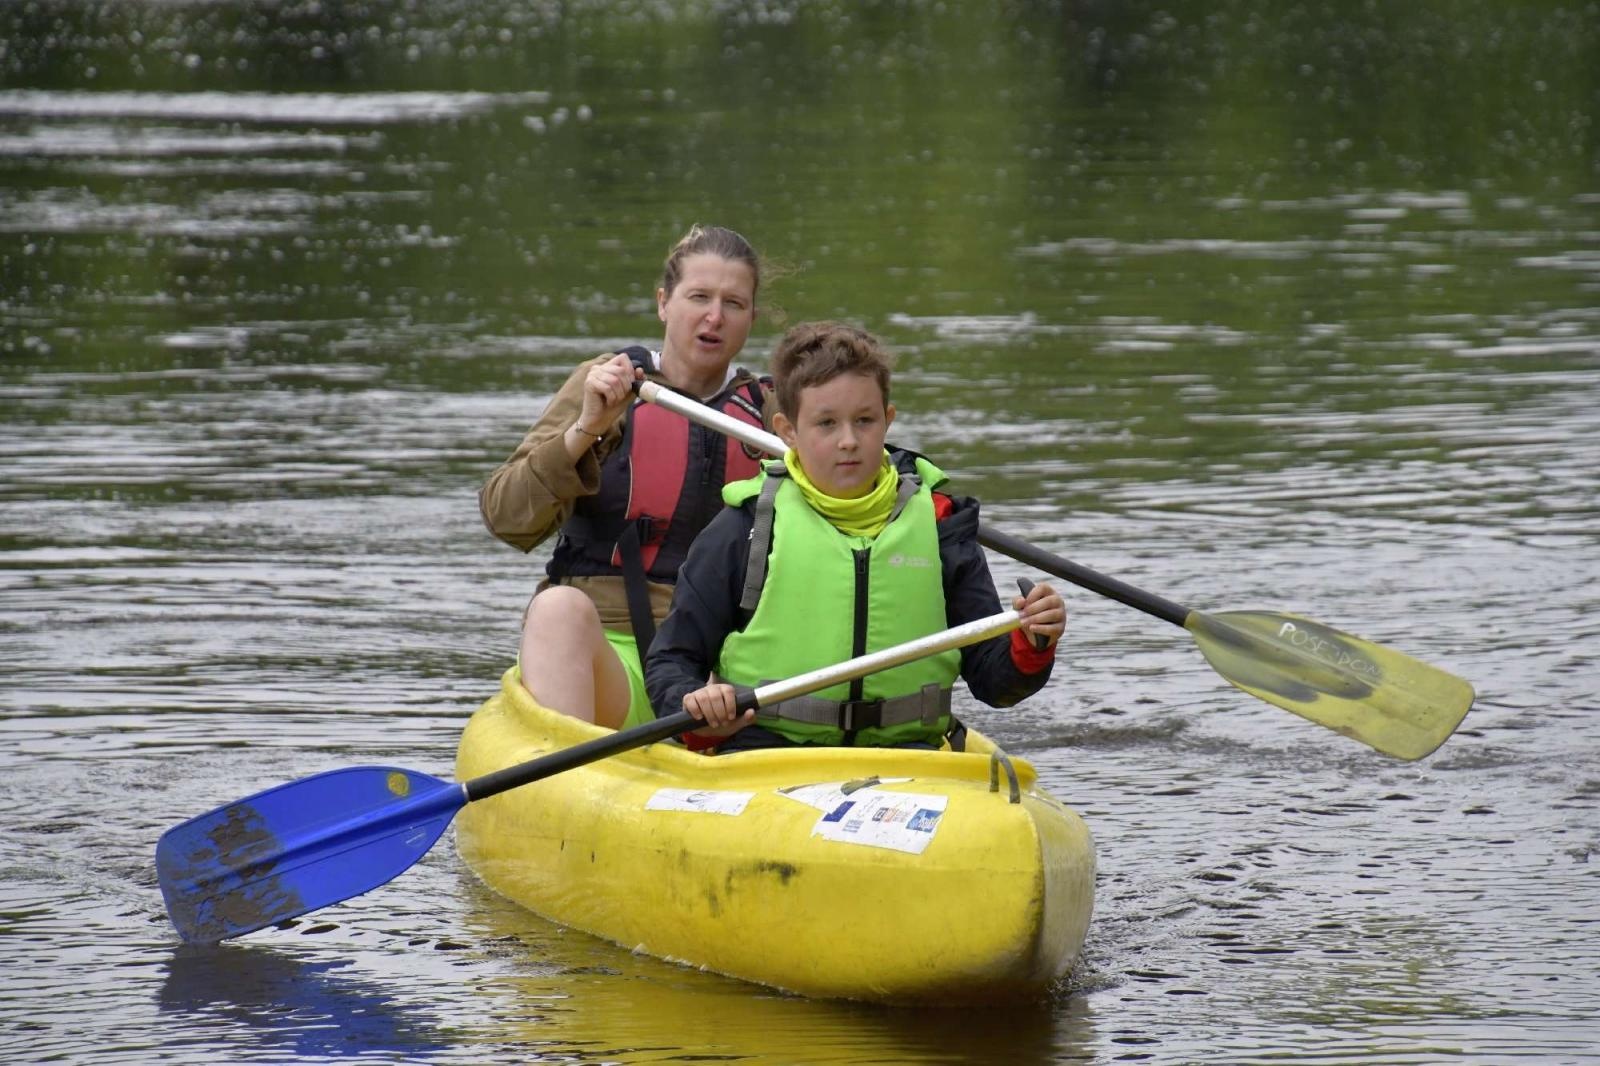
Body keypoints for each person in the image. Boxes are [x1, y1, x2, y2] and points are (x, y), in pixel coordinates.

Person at [645, 321, 1065, 752]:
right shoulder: (745, 529)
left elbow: (993, 681)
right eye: (826, 424)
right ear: (788, 431)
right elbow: (671, 662)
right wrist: (697, 704)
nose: (849, 441)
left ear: (888, 420)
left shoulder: (940, 525)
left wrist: (1033, 641)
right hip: (769, 755)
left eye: (864, 421)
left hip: (910, 757)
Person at [480, 224, 777, 730]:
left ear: (751, 317)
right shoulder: (606, 386)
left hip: (720, 675)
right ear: (664, 302)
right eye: (698, 297)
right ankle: (569, 778)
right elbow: (507, 517)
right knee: (557, 609)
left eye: (734, 303)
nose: (713, 317)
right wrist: (586, 429)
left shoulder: (776, 414)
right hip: (611, 664)